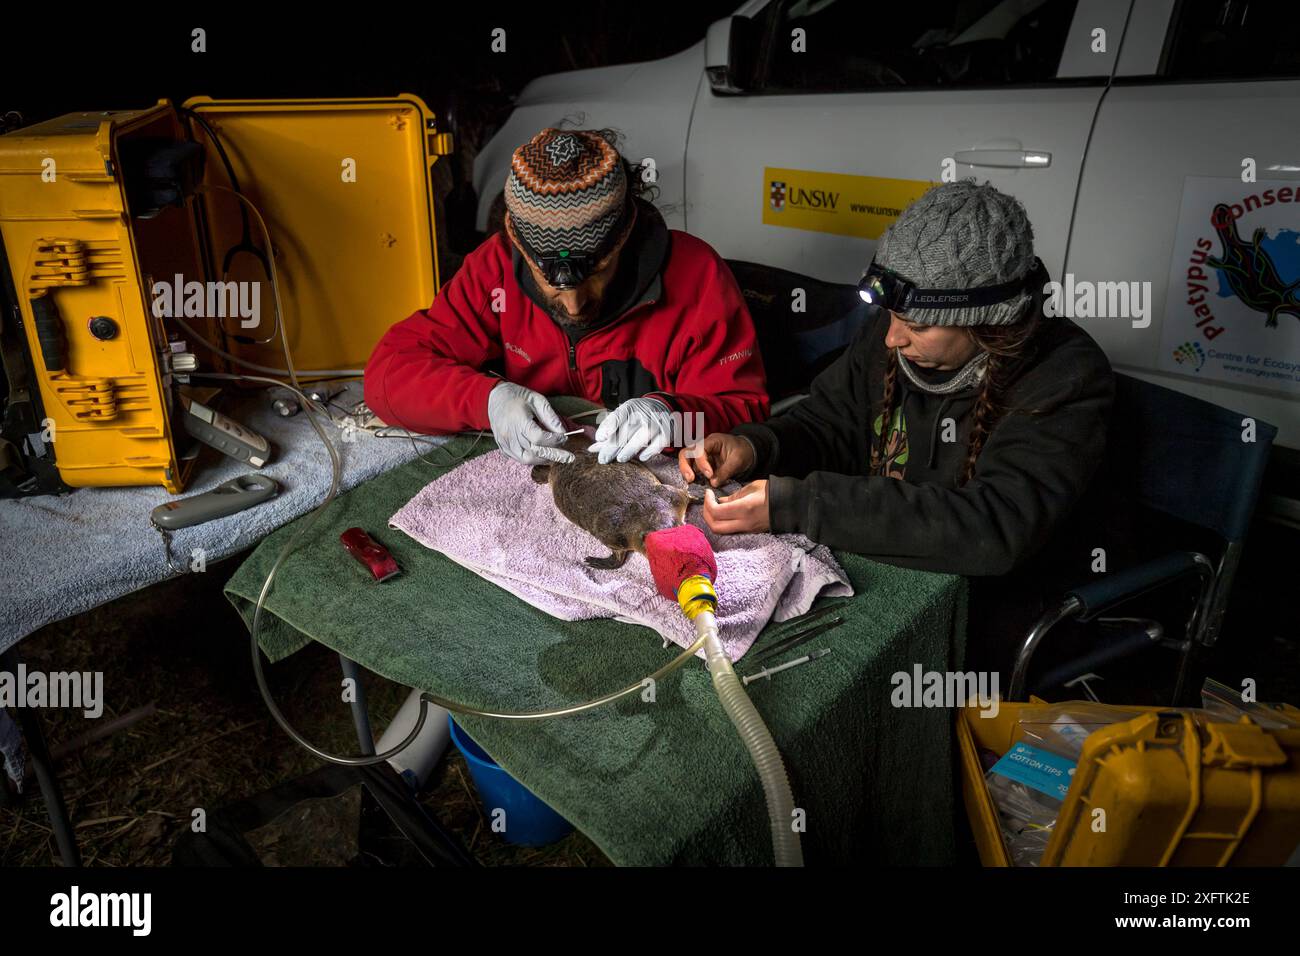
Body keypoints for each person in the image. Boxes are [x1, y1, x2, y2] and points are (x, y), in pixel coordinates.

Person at [679, 181, 1116, 669]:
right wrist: (756, 446)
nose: (891, 338)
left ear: (988, 322)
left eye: (918, 326)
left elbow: (993, 528)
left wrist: (802, 504)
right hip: (882, 579)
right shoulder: (893, 337)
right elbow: (830, 423)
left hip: (990, 621)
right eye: (889, 315)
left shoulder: (1065, 378)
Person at [365, 127, 768, 465]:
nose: (575, 305)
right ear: (521, 249)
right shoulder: (494, 271)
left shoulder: (698, 276)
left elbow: (747, 410)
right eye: (550, 280)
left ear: (624, 240)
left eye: (595, 272)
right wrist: (486, 400)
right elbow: (387, 378)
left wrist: (674, 418)